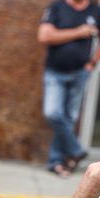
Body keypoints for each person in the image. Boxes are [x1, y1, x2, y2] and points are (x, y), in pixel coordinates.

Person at [38, 0, 100, 178]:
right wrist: (79, 32)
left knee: (69, 117)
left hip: (80, 73)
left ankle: (56, 161)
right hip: (55, 73)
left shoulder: (95, 10)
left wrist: (92, 63)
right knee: (52, 113)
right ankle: (76, 149)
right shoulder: (58, 7)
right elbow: (44, 36)